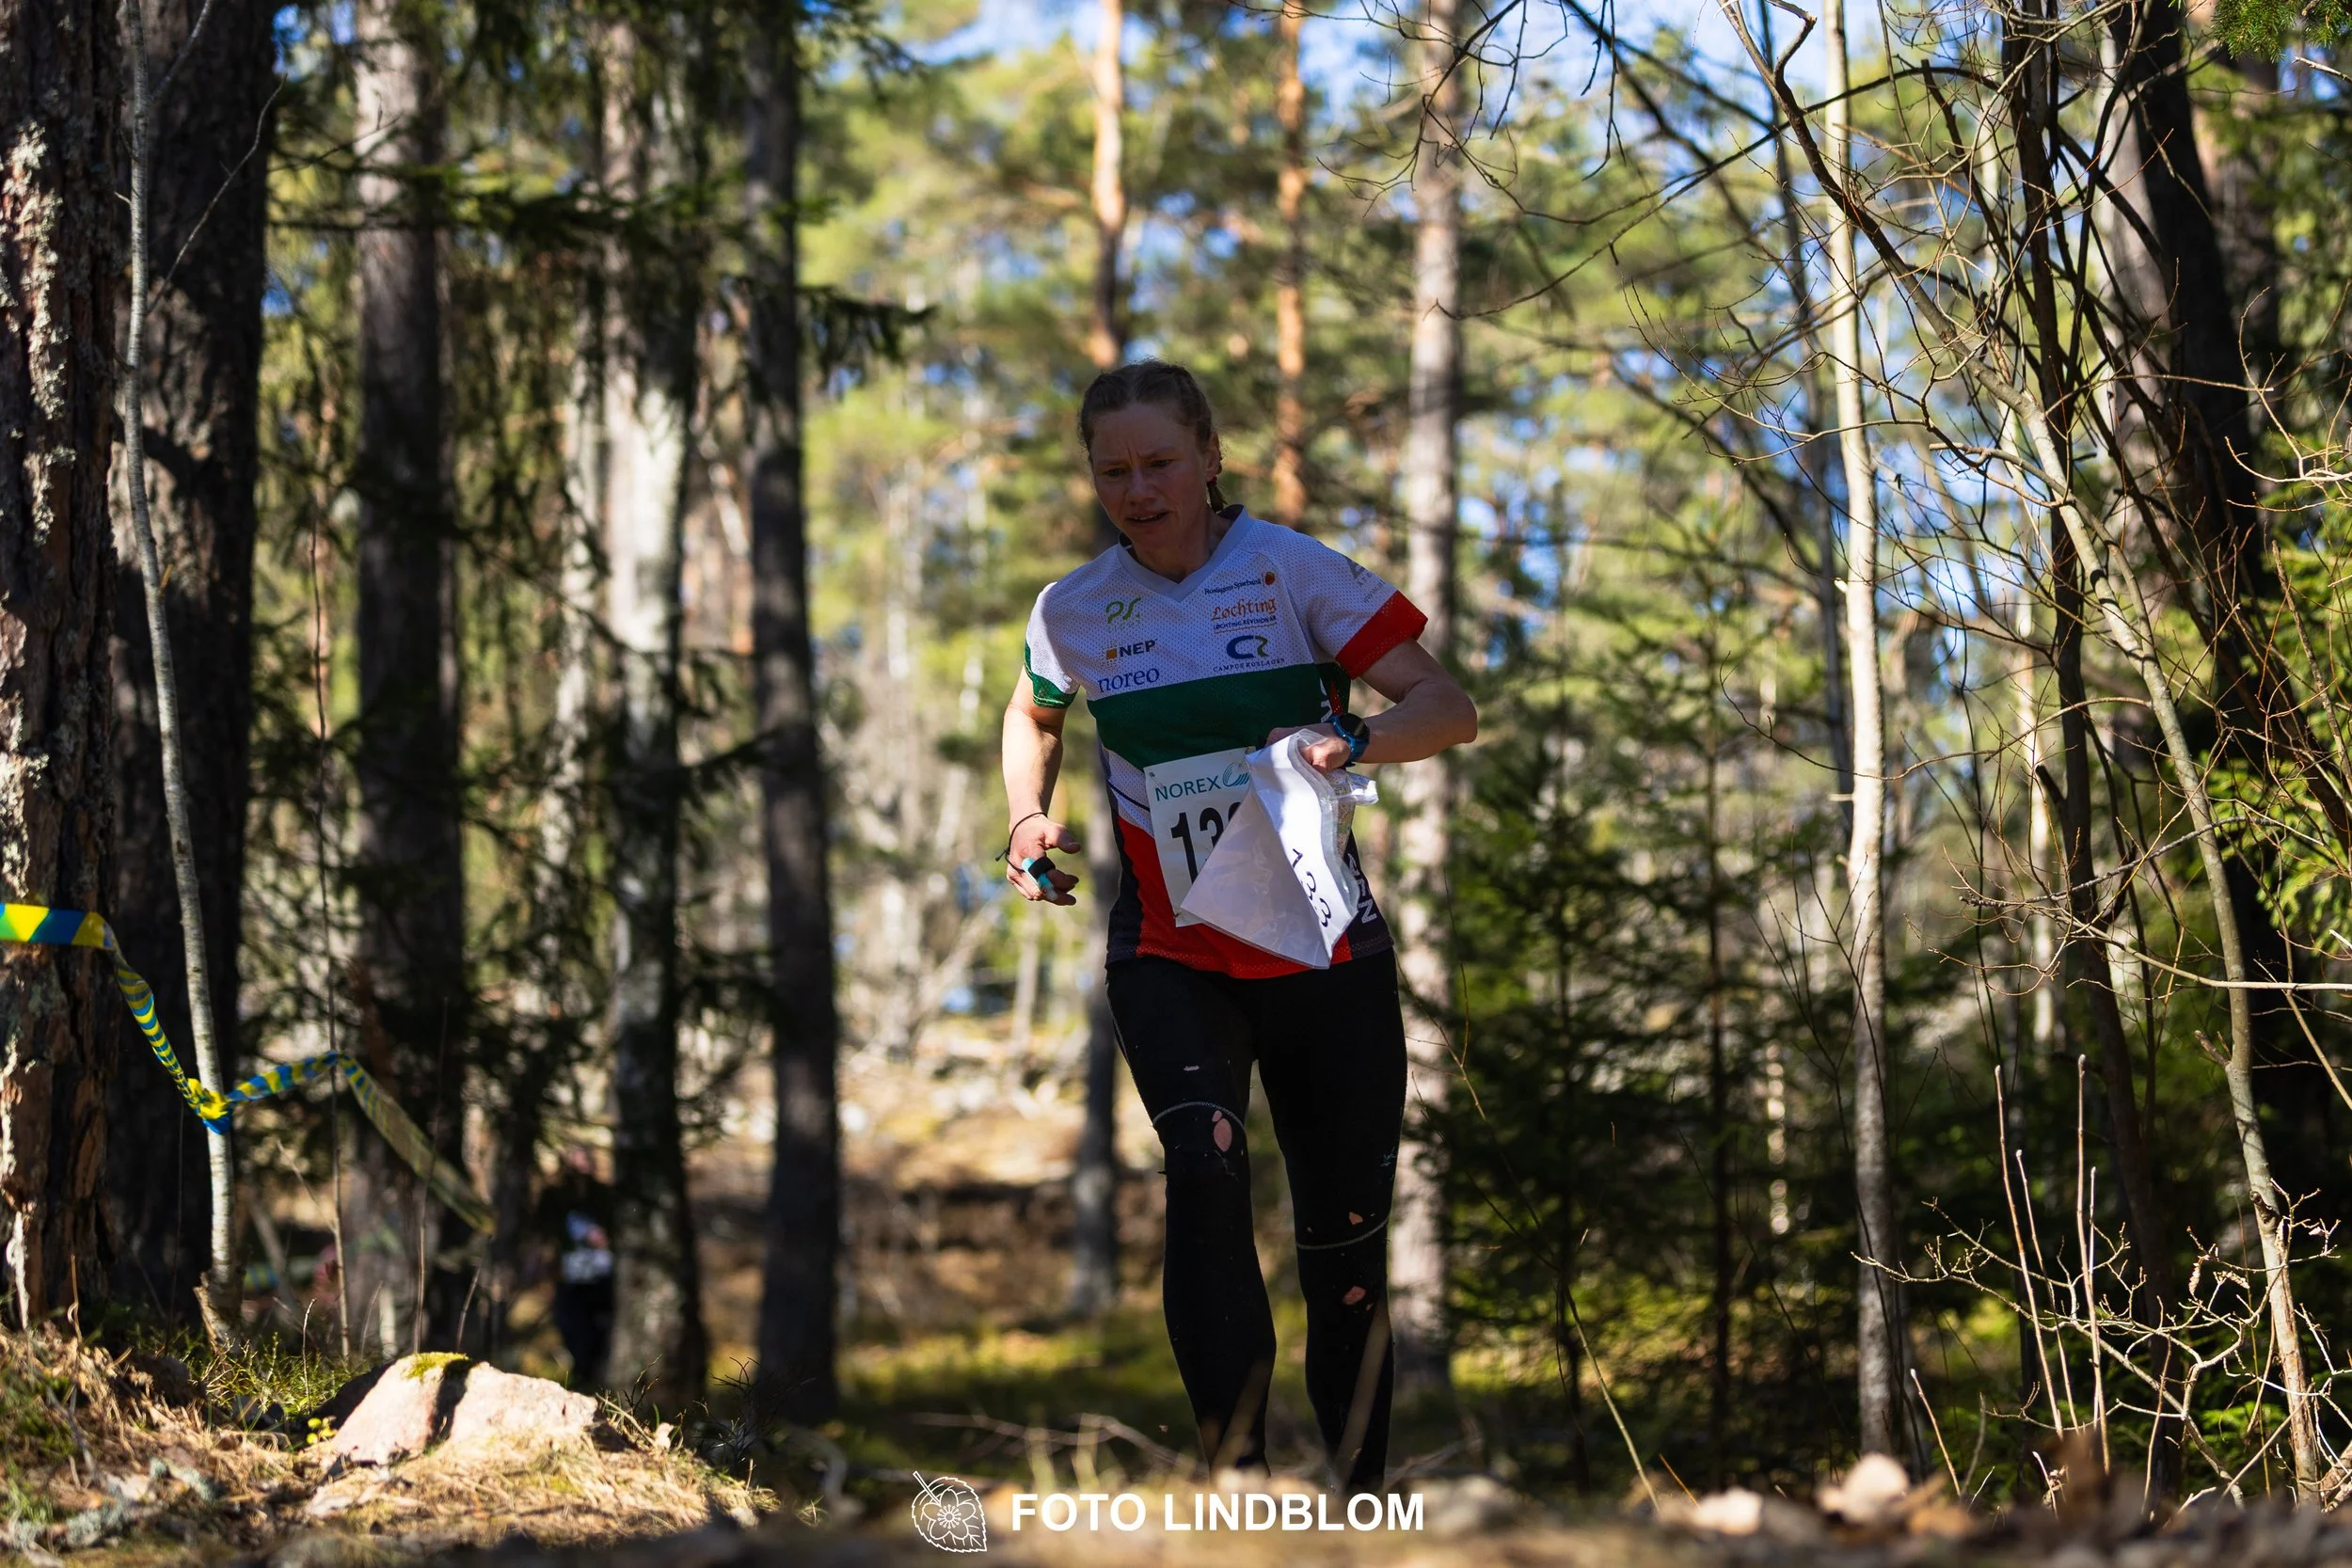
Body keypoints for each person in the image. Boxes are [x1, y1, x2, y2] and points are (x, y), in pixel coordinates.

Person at [1000, 359, 1478, 1493]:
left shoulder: (1295, 571)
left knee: (1343, 1236)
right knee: (1202, 1161)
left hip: (1324, 952)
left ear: (1209, 458)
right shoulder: (1071, 607)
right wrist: (1027, 815)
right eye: (1112, 469)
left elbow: (1445, 707)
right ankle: (1238, 1483)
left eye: (1160, 461)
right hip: (1173, 952)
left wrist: (1355, 740)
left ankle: (1359, 1488)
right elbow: (1031, 713)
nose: (1137, 488)